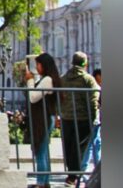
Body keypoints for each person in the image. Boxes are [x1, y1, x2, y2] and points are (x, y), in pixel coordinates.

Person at [59, 51, 100, 186]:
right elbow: (93, 100)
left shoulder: (64, 78)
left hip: (67, 118)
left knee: (69, 148)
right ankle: (74, 176)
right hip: (83, 119)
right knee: (80, 148)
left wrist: (62, 112)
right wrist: (93, 118)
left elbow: (59, 97)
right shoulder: (88, 79)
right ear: (85, 64)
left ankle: (71, 176)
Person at [25, 53, 62, 188]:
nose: (37, 68)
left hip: (44, 118)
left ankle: (41, 182)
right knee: (44, 150)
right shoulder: (49, 79)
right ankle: (45, 181)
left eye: (38, 65)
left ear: (44, 65)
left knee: (40, 151)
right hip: (47, 116)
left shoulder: (47, 80)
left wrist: (29, 81)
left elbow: (33, 97)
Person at [80, 68, 102, 171]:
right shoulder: (94, 87)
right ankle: (84, 169)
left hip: (96, 119)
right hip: (94, 119)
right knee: (91, 144)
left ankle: (97, 168)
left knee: (96, 143)